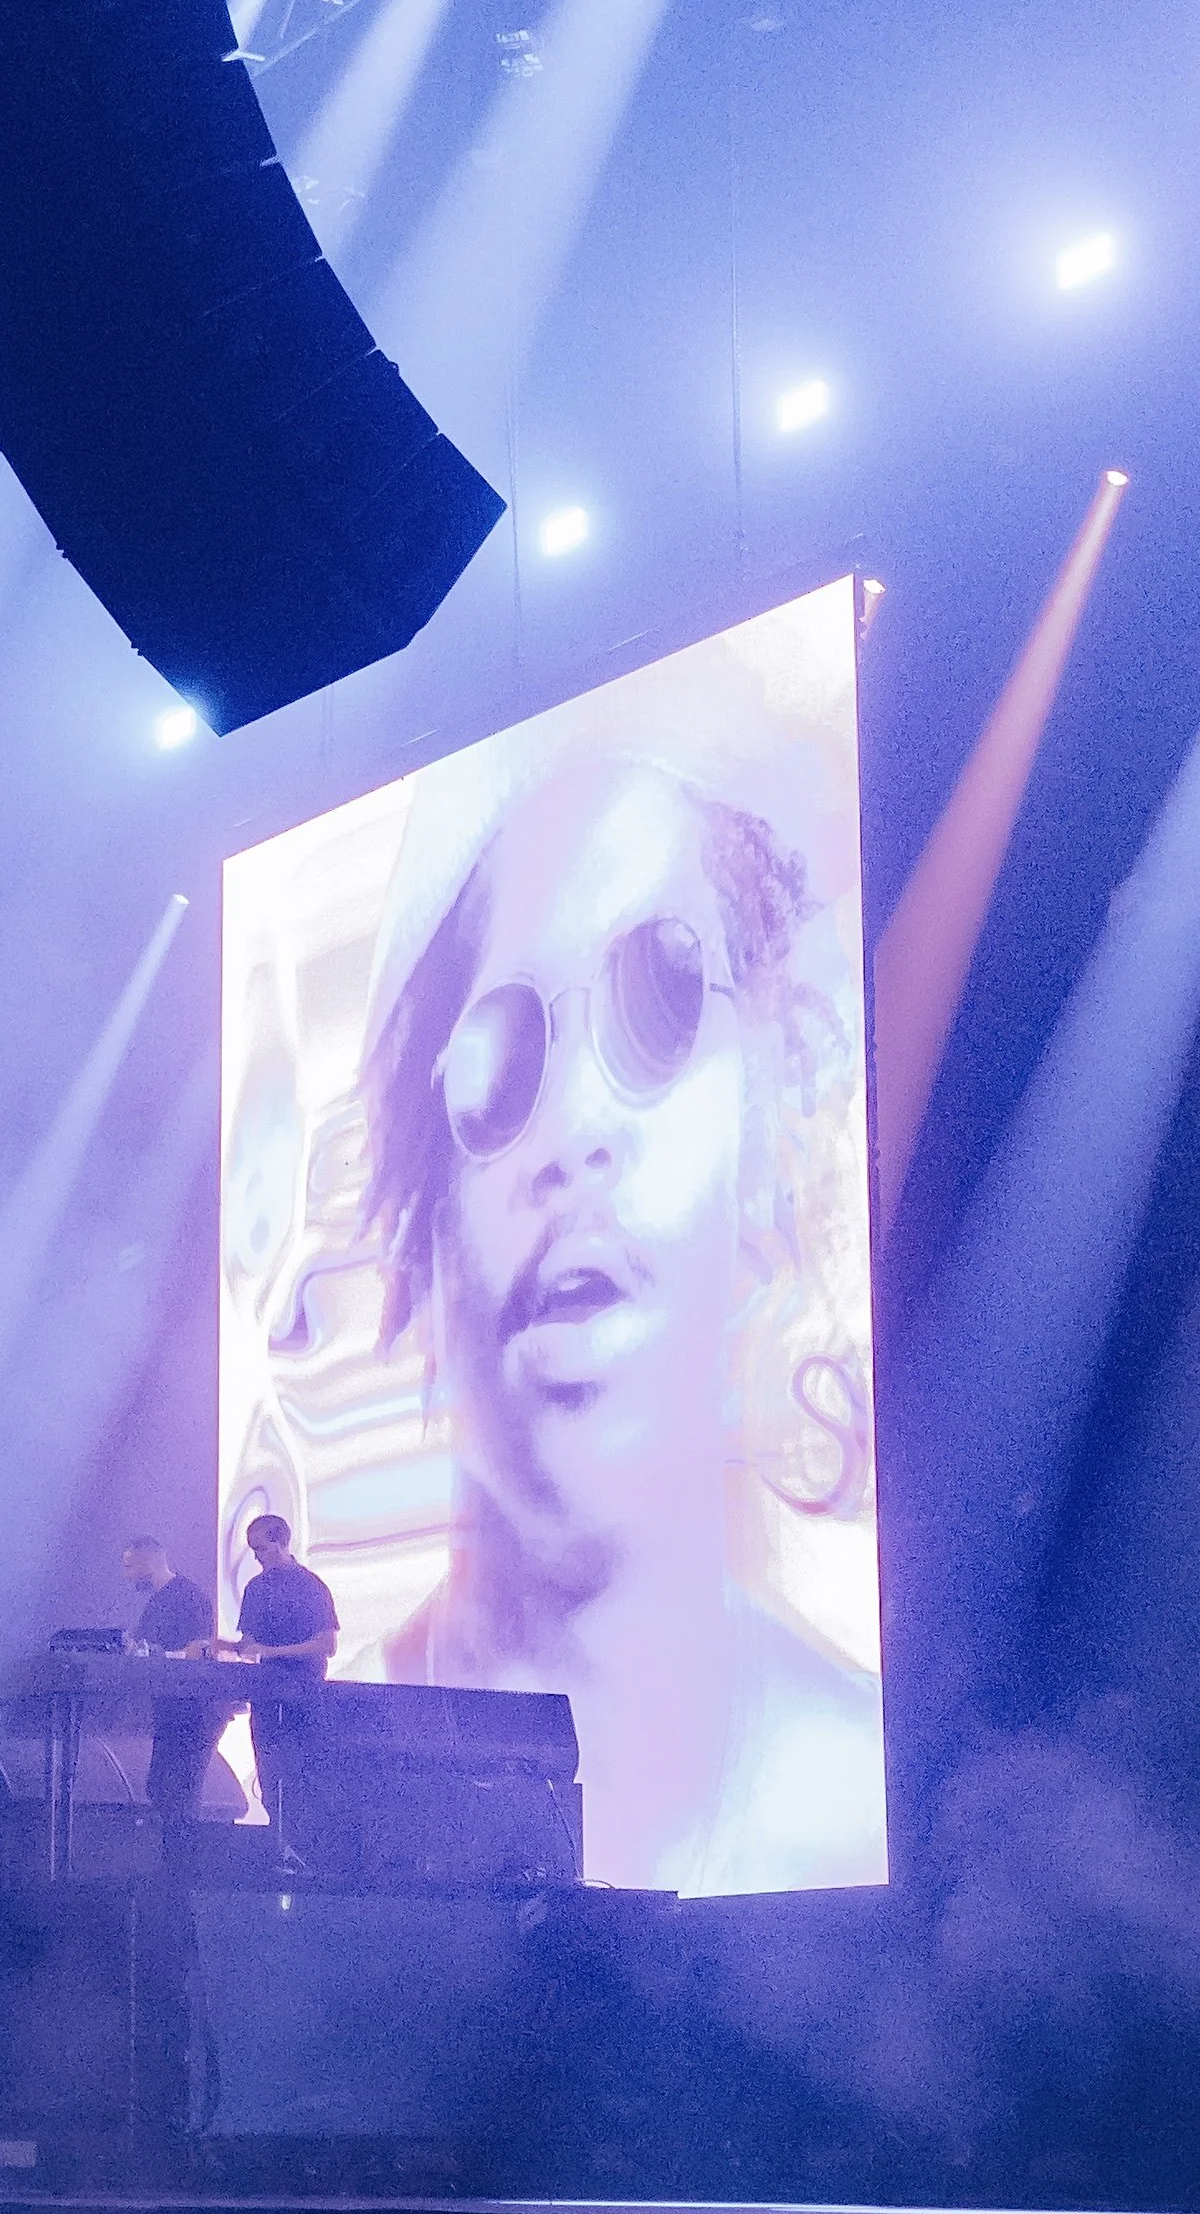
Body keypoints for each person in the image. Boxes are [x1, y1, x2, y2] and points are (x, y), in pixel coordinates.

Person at [355, 731, 882, 1894]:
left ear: (766, 1159)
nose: (576, 1130)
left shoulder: (856, 1785)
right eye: (500, 1058)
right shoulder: (308, 1767)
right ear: (421, 1221)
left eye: (663, 997)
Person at [237, 1516, 336, 1857]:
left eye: (261, 1548)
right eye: (252, 1550)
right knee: (268, 1775)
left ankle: (307, 1850)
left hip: (302, 1695)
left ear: (280, 1542)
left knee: (302, 1776)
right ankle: (279, 1846)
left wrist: (274, 1652)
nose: (257, 1557)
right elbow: (248, 1642)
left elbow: (326, 1644)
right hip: (266, 1696)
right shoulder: (255, 1589)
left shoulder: (310, 1586)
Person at [125, 1537, 219, 1848]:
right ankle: (171, 1864)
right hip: (170, 1709)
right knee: (161, 1789)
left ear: (148, 1562)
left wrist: (157, 1655)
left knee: (180, 1791)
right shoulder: (155, 1603)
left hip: (195, 1711)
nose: (126, 1575)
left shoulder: (189, 1597)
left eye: (130, 1566)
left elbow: (198, 1651)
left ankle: (183, 1869)